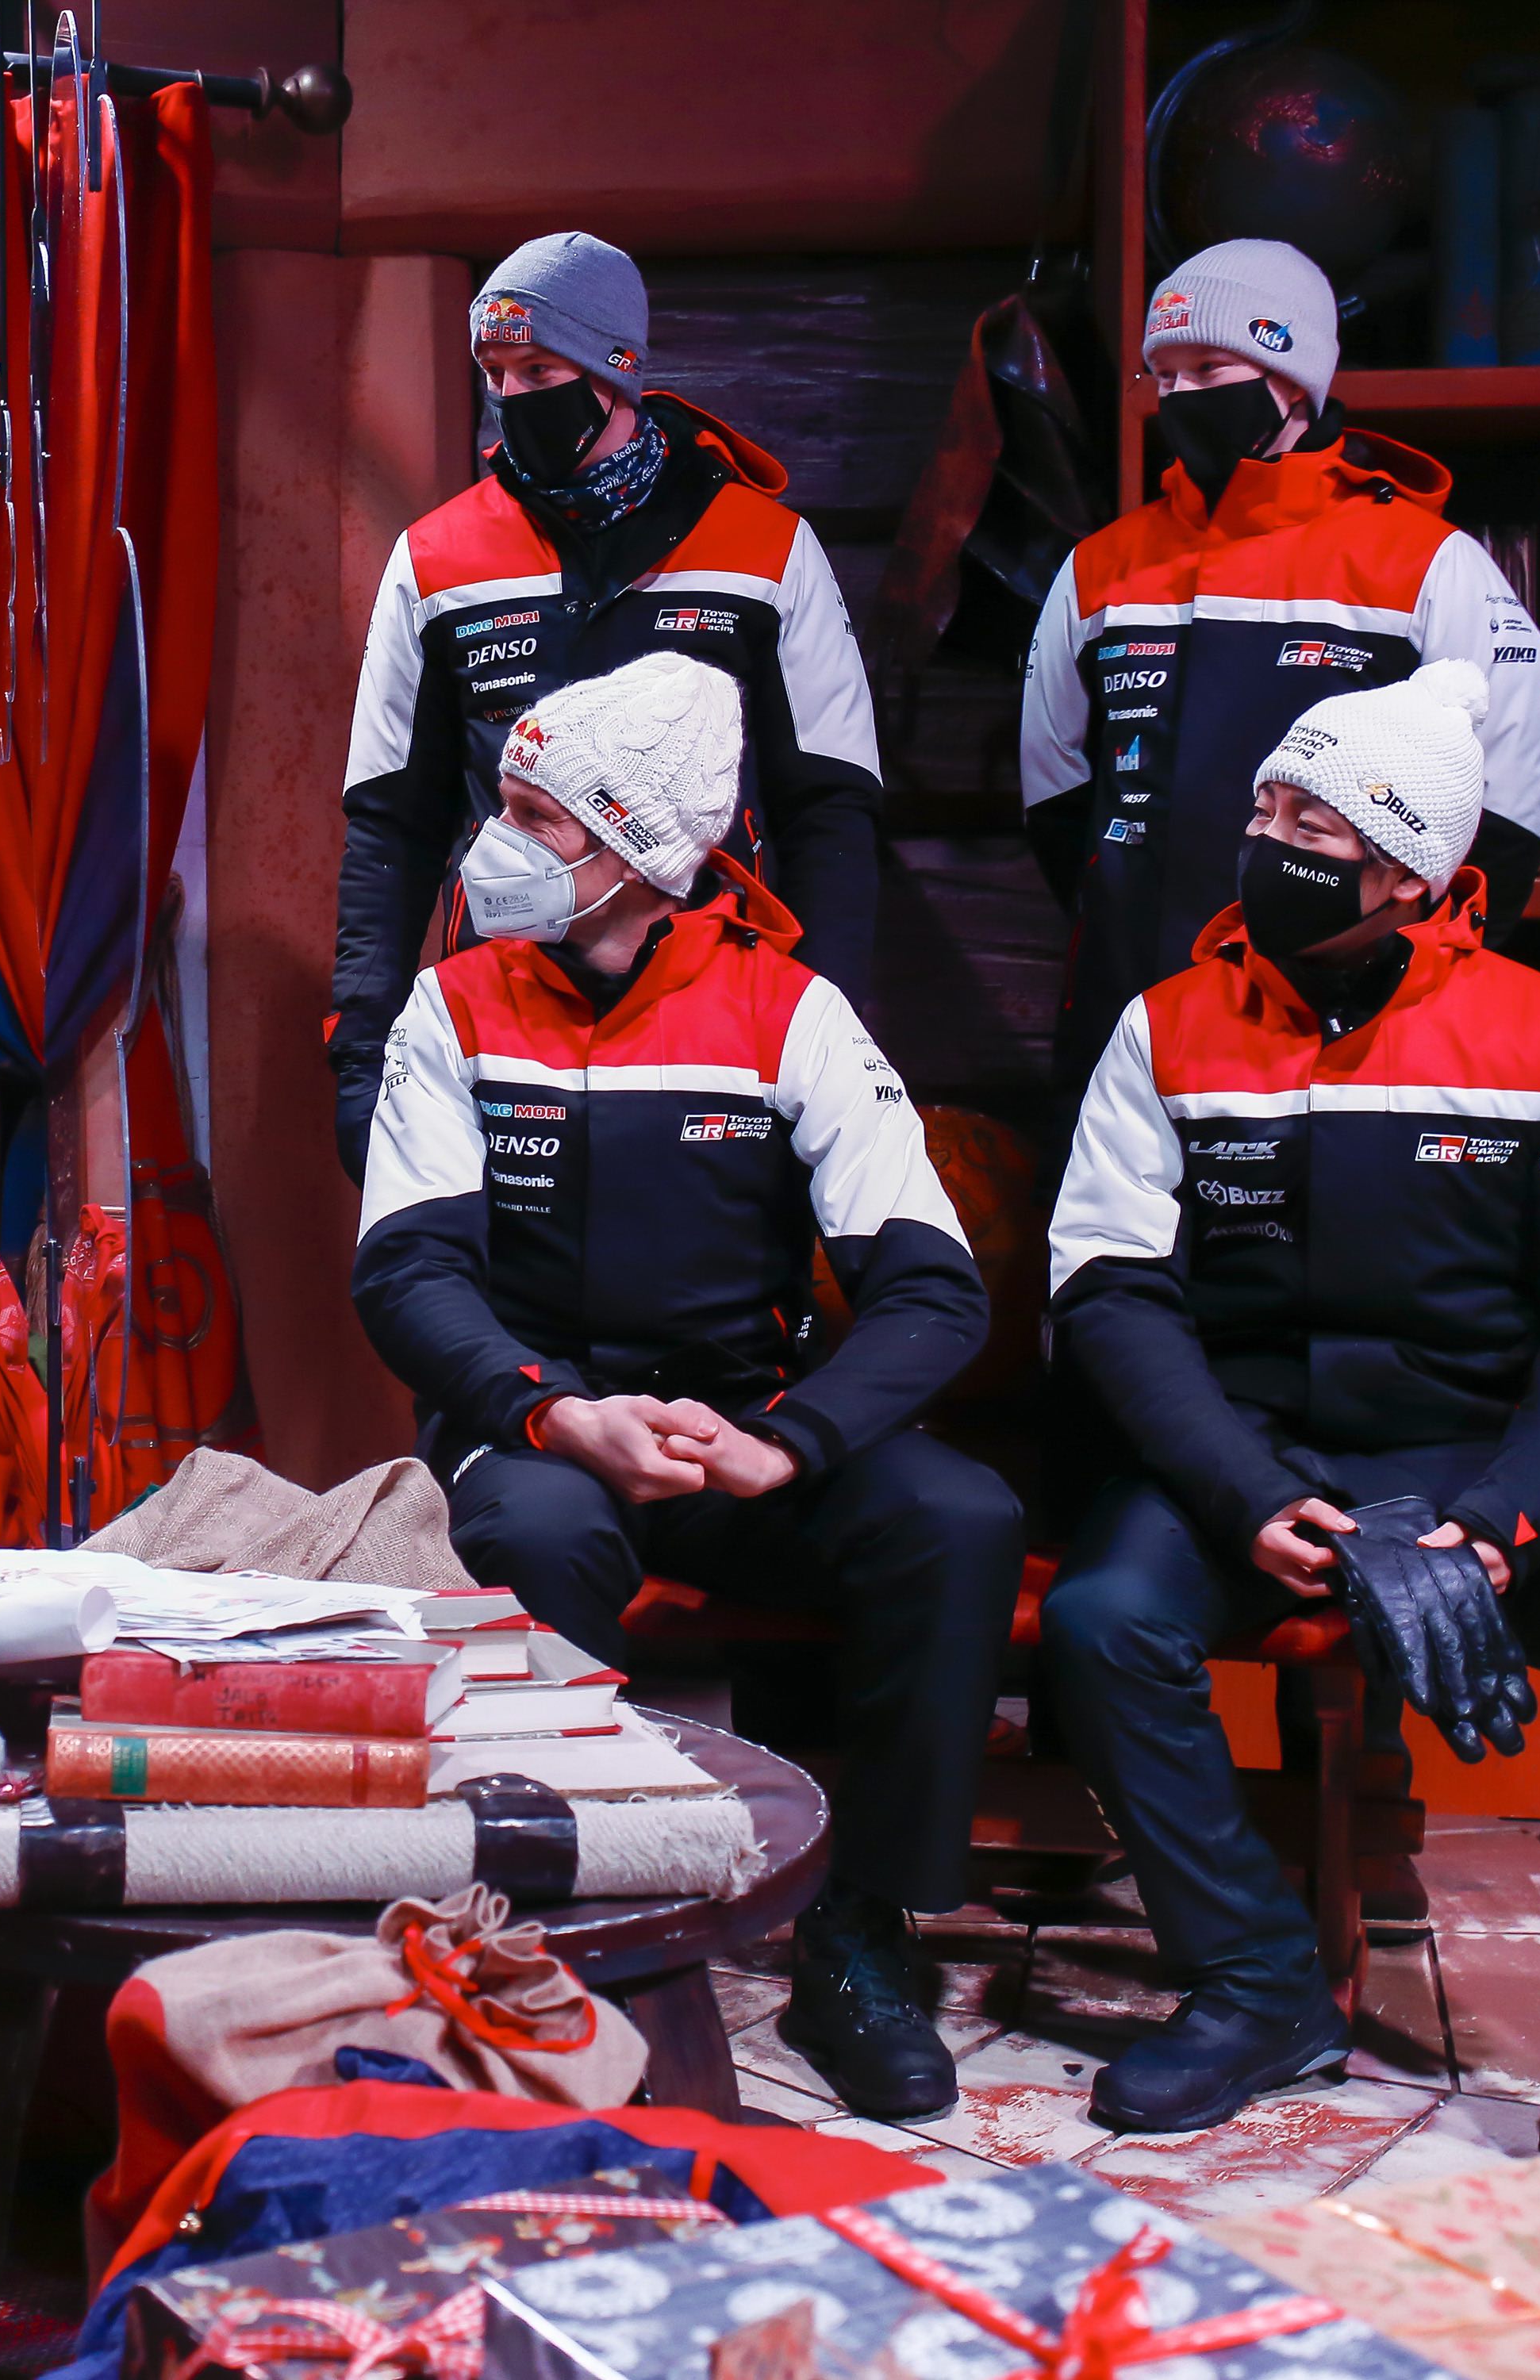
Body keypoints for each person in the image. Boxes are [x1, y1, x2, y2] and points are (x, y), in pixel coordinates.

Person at [1032, 660, 1540, 2219]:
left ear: (1409, 870)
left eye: (1310, 821)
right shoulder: (1163, 1028)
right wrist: (1241, 1496)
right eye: (1265, 807)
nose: (1267, 838)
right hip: (1240, 1456)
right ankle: (1259, 1988)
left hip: (1473, 1463)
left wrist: (1511, 1520)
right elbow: (1109, 1289)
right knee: (1103, 1622)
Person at [352, 651, 1022, 2122]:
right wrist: (549, 1410)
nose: (499, 842)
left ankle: (865, 1937)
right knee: (532, 1536)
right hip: (538, 1428)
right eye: (504, 805)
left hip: (740, 1430)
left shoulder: (793, 1012)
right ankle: (566, 1939)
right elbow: (407, 1273)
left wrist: (794, 1441)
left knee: (957, 1521)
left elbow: (934, 1288)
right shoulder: (451, 1008)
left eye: (540, 817)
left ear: (641, 849)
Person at [331, 230, 883, 1180]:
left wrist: (830, 1037)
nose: (511, 397)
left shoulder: (767, 549)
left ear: (616, 370)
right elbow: (391, 825)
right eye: (494, 374)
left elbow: (830, 809)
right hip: (501, 1011)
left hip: (719, 1014)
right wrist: (361, 1051)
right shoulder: (435, 559)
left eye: (538, 370)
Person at [1020, 237, 1540, 1097]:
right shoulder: (1100, 569)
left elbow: (1507, 815)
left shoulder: (1425, 562)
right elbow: (1056, 801)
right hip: (1131, 1010)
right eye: (1165, 377)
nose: (1181, 398)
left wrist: (1407, 979)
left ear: (1294, 380)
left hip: (1358, 1033)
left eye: (1209, 369)